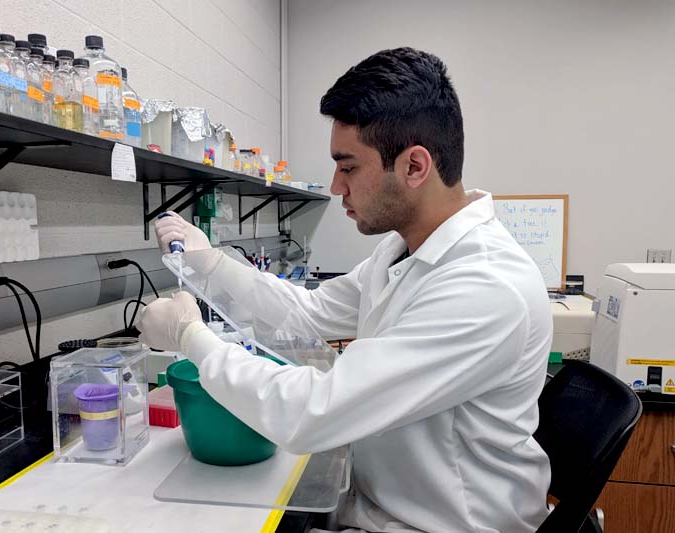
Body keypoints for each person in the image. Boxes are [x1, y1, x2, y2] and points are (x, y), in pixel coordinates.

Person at [140, 47, 552, 533]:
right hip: (380, 508)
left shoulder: (485, 286)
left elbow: (313, 411)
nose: (336, 187)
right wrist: (211, 264)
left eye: (349, 166)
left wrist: (190, 336)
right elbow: (309, 314)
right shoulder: (403, 251)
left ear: (415, 167)